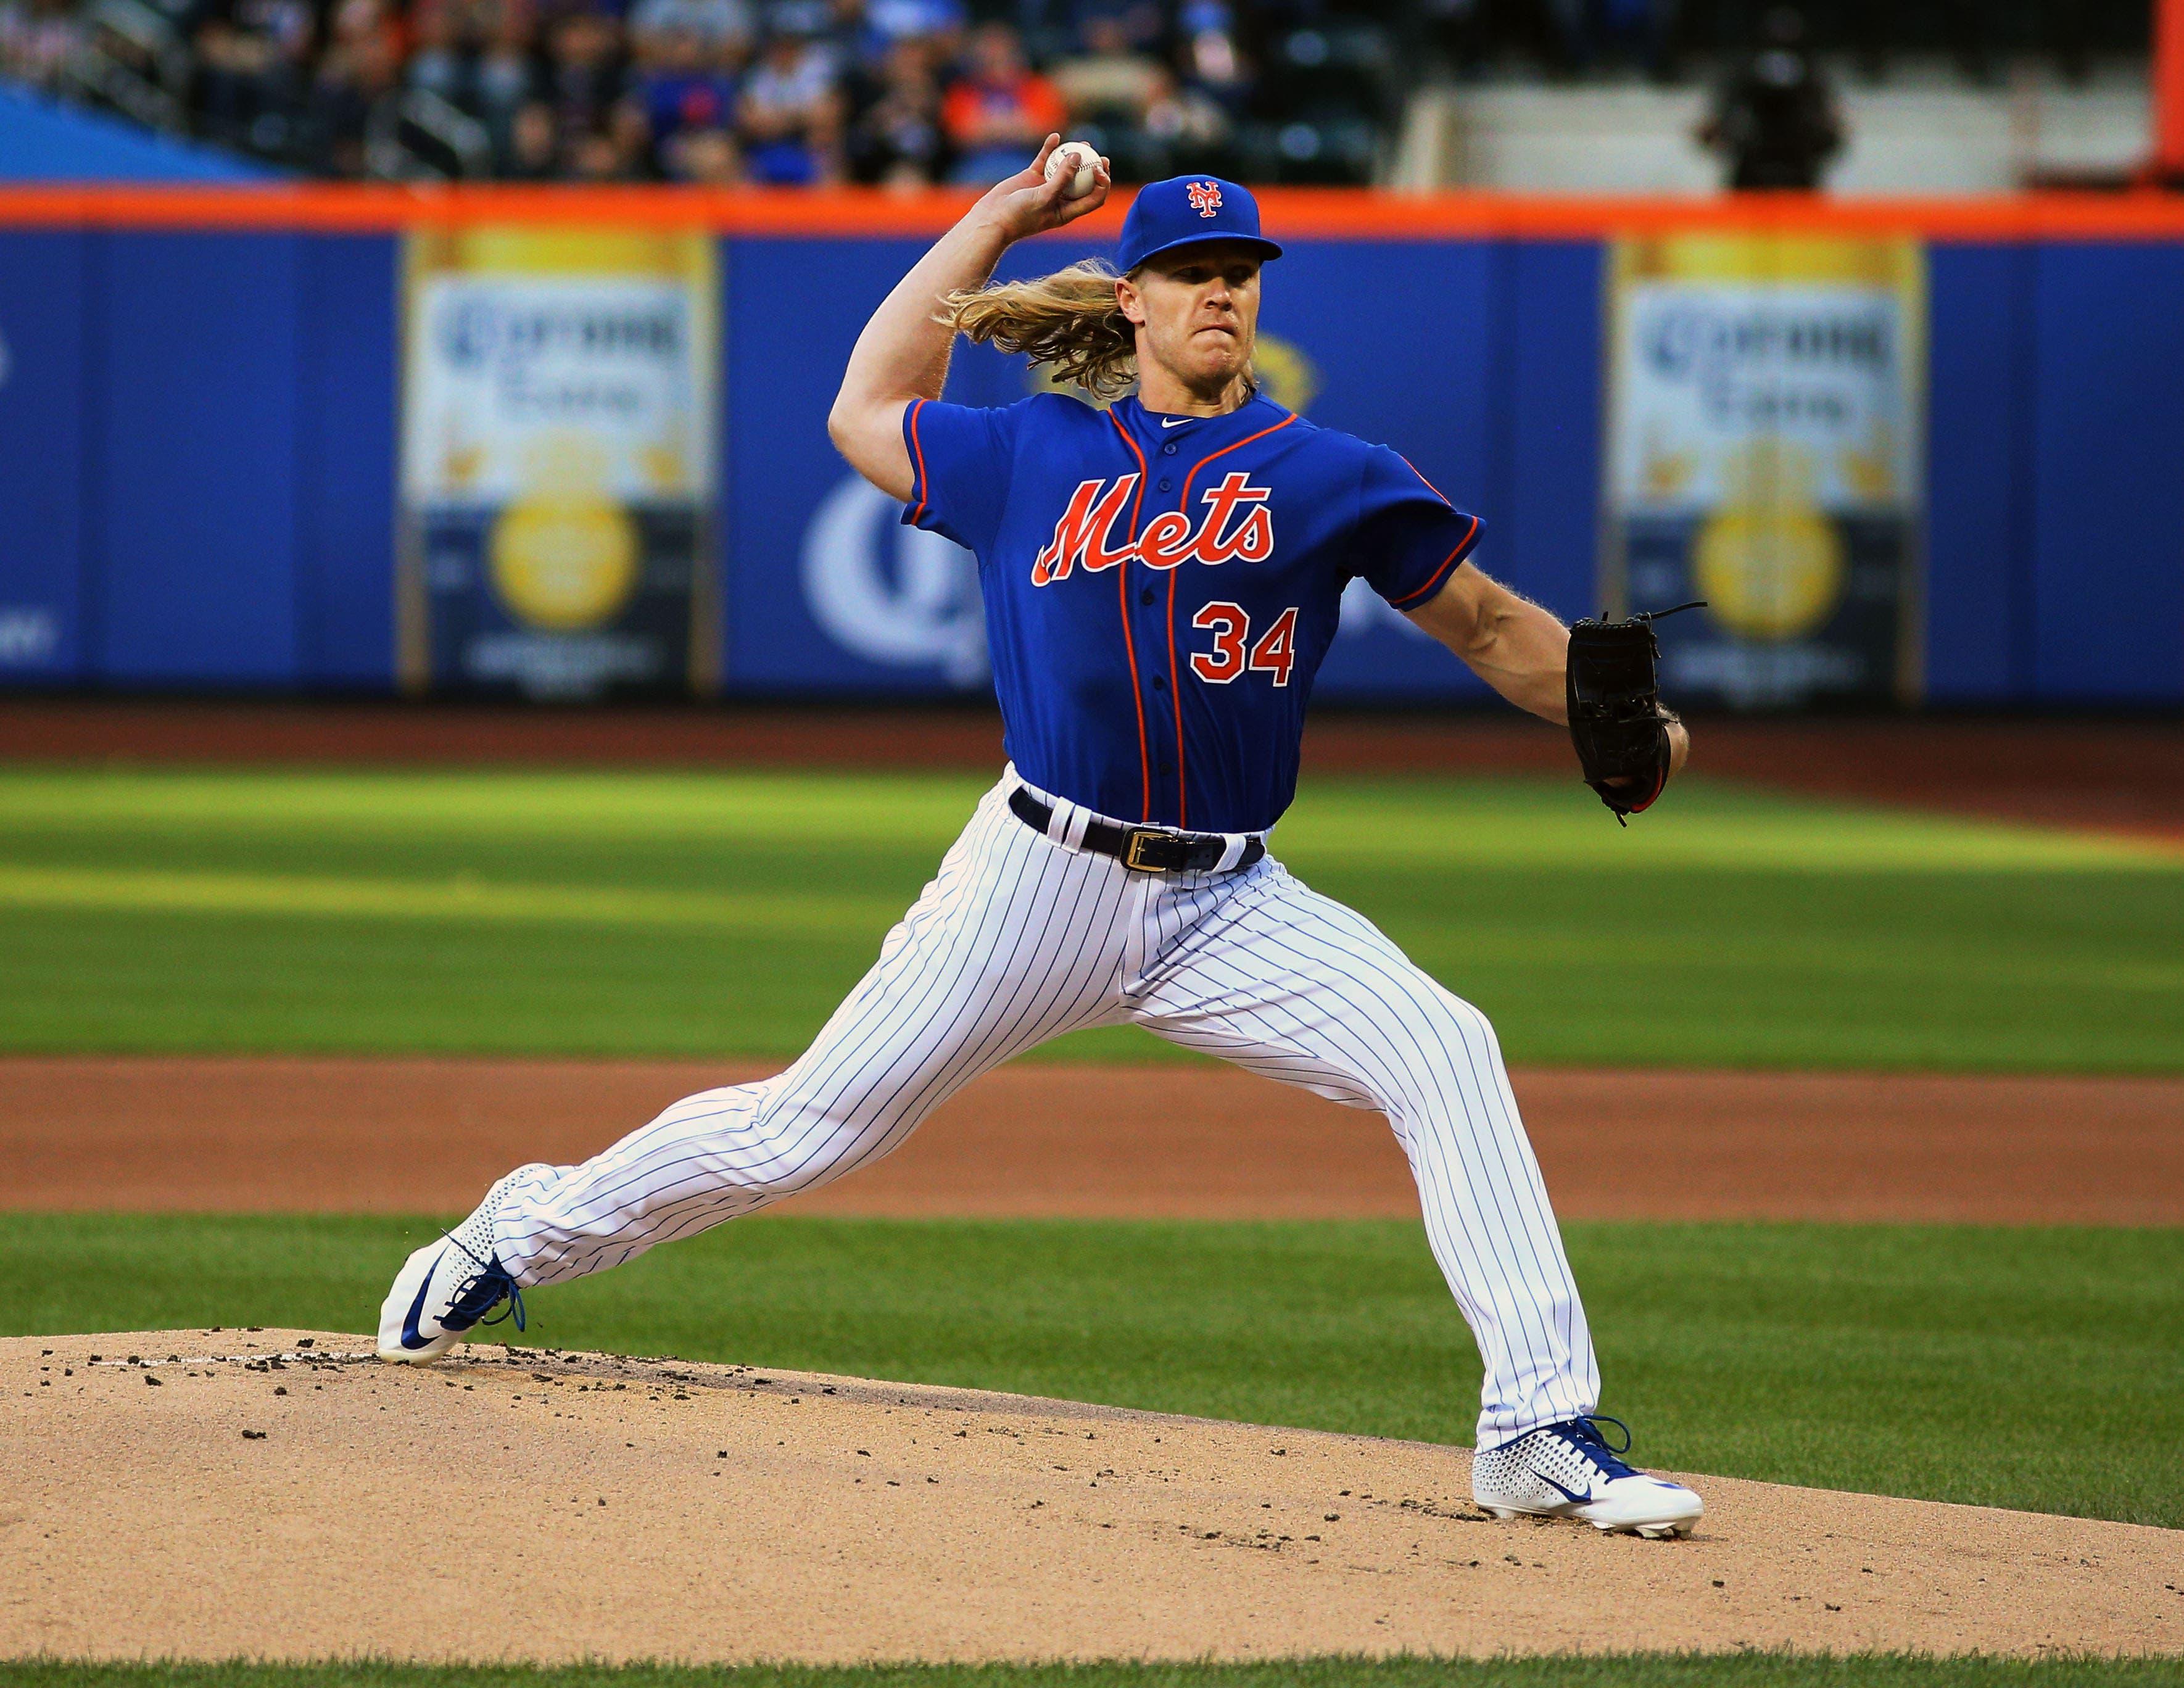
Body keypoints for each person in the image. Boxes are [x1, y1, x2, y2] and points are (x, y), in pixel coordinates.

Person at [376, 145, 1703, 1542]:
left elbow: (1493, 629)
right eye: (1191, 273)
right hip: (1033, 875)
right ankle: (515, 1233)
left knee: (1445, 1045)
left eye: (1239, 274)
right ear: (1130, 300)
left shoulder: (1332, 475)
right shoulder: (1030, 448)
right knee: (800, 1127)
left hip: (1231, 900)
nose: (1220, 295)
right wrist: (997, 217)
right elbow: (864, 406)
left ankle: (1531, 1425)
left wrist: (1627, 723)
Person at [1697, 5, 1841, 191]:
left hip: (1798, 167)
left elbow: (1830, 133)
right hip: (1752, 168)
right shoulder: (1743, 73)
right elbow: (1714, 129)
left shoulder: (1812, 76)